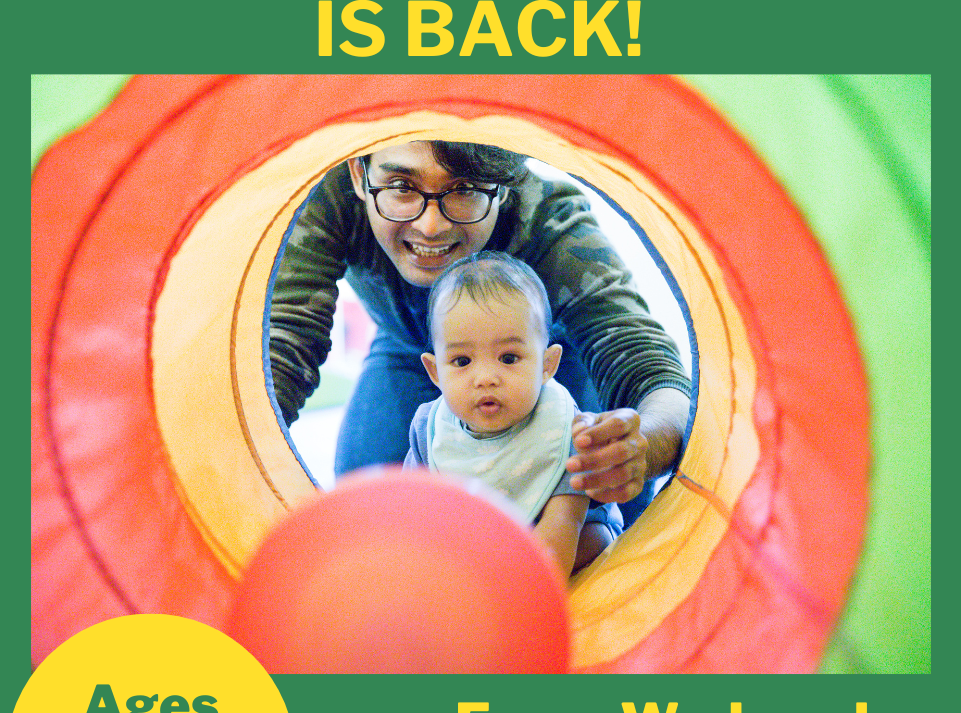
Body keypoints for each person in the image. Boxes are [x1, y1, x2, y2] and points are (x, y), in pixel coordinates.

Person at [268, 139, 691, 526]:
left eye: (464, 190)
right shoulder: (330, 200)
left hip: (538, 361)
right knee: (363, 512)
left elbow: (646, 364)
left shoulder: (547, 221)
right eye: (401, 186)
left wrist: (644, 446)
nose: (430, 225)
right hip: (410, 347)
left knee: (610, 503)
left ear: (503, 188)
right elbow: (282, 349)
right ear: (360, 176)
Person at [405, 253, 590, 577]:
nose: (486, 377)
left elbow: (564, 524)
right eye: (462, 362)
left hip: (554, 549)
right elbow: (413, 513)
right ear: (435, 372)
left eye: (508, 357)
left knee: (596, 539)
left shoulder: (564, 429)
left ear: (548, 365)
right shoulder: (430, 430)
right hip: (474, 550)